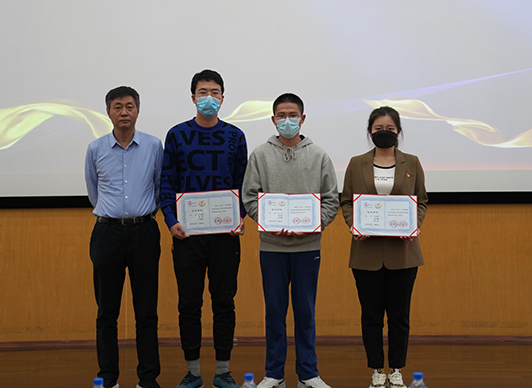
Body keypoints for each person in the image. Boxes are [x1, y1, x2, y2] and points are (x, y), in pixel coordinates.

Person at [242, 93, 339, 388]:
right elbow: (249, 197)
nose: (287, 120)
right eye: (281, 116)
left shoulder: (319, 156)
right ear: (273, 120)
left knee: (305, 312)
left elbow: (331, 200)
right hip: (272, 247)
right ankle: (274, 374)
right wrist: (270, 223)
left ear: (303, 118)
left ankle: (308, 374)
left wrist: (312, 225)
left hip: (307, 247)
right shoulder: (260, 155)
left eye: (293, 115)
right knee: (274, 312)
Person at [160, 70, 248, 388]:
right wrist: (171, 220)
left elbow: (243, 184)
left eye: (214, 92)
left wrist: (240, 217)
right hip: (187, 235)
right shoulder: (177, 135)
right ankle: (193, 372)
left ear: (223, 98)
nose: (208, 98)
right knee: (189, 305)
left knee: (224, 303)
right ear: (193, 97)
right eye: (202, 92)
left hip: (225, 236)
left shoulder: (235, 136)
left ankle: (223, 370)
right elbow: (167, 182)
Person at [340, 106, 428, 388]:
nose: (384, 133)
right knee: (371, 316)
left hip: (403, 253)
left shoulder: (411, 162)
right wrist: (353, 224)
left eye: (390, 129)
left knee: (400, 317)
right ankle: (377, 370)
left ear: (398, 131)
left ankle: (397, 369)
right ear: (370, 132)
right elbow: (346, 201)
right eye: (378, 129)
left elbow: (421, 201)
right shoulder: (357, 163)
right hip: (366, 253)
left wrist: (413, 225)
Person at [85, 86, 164, 388]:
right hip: (107, 233)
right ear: (108, 112)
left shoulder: (154, 146)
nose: (124, 112)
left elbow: (159, 186)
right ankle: (108, 377)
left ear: (138, 110)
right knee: (107, 311)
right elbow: (94, 191)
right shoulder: (95, 149)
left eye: (129, 106)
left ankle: (148, 377)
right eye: (117, 107)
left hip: (144, 231)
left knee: (146, 311)